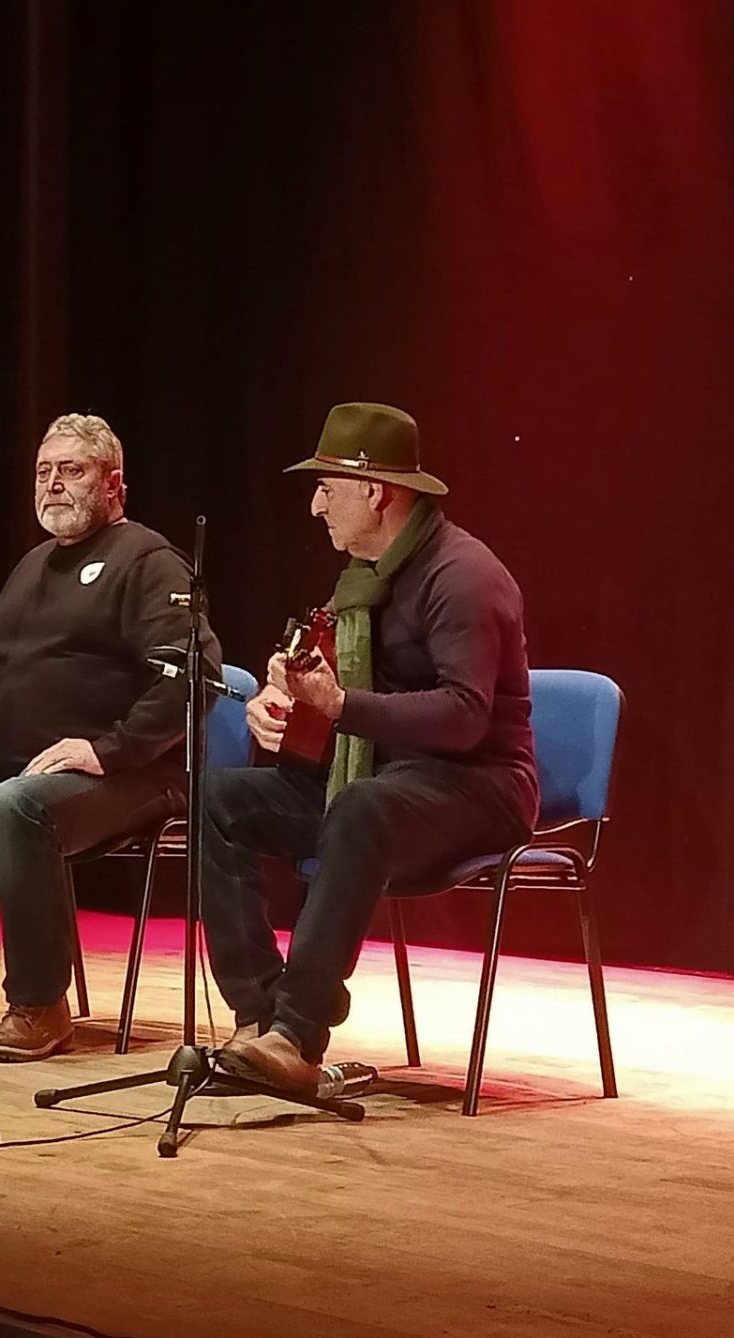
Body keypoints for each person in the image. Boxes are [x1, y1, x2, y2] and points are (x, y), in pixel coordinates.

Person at [201, 402, 538, 1093]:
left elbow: (466, 717)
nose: (316, 505)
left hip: (477, 786)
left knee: (359, 807)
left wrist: (342, 706)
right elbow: (330, 682)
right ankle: (260, 1014)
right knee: (219, 796)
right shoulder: (362, 578)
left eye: (327, 486)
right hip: (384, 780)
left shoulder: (463, 577)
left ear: (375, 492)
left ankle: (297, 1032)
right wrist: (283, 699)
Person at [0, 413, 220, 1061]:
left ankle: (38, 1003)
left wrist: (106, 748)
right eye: (43, 472)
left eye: (72, 471)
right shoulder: (30, 566)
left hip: (130, 777)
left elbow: (193, 679)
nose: (53, 484)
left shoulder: (149, 560)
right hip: (14, 772)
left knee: (16, 804)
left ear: (114, 485)